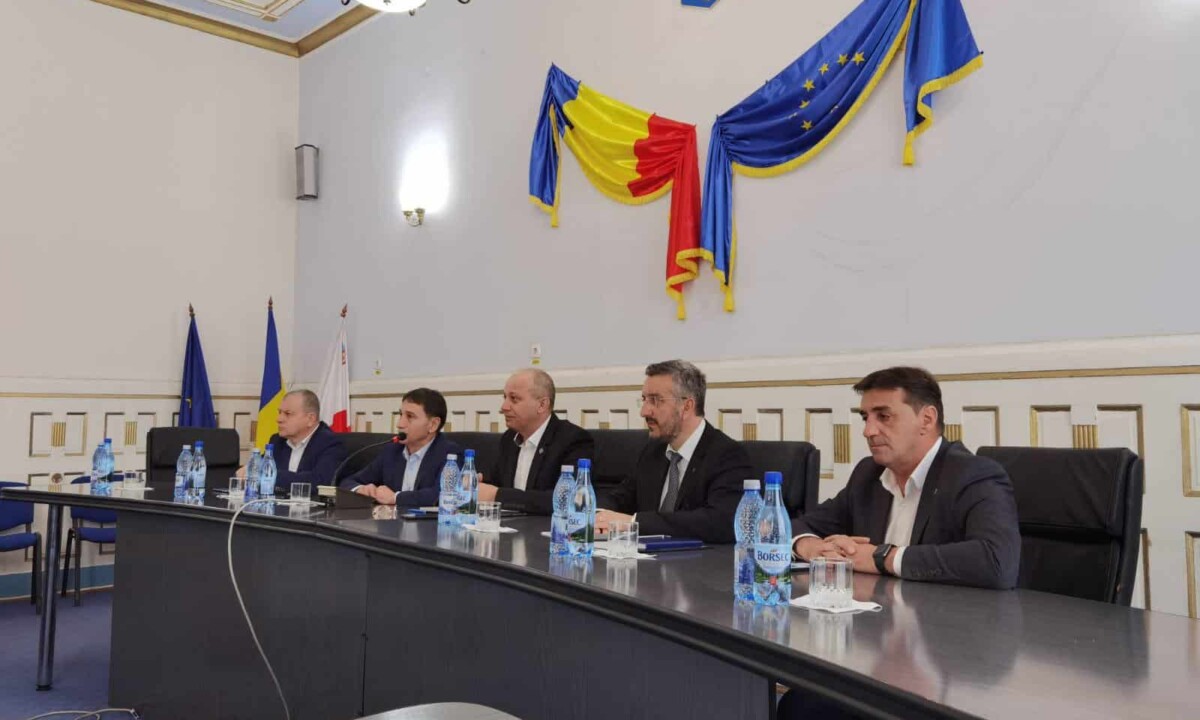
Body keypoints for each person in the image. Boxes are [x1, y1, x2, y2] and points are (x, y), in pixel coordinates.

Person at [790, 366, 1020, 589]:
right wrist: (811, 547)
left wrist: (882, 558)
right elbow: (795, 525)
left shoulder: (973, 474)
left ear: (927, 419)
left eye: (884, 416)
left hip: (948, 614)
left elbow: (997, 562)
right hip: (878, 609)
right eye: (866, 418)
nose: (868, 431)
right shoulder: (868, 473)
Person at [595, 360, 751, 544]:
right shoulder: (653, 451)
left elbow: (720, 522)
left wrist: (634, 522)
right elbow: (620, 498)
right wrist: (597, 515)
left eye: (655, 400)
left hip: (696, 561)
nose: (644, 411)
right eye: (644, 400)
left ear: (686, 406)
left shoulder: (727, 456)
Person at [476, 369, 593, 514]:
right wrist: (480, 484)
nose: (504, 407)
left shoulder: (573, 440)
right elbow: (497, 483)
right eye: (505, 397)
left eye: (514, 399)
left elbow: (569, 499)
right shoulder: (509, 439)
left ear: (542, 405)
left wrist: (496, 495)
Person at [339, 388, 461, 507]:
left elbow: (443, 495)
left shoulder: (450, 454)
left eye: (410, 416)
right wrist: (360, 489)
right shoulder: (392, 451)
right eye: (401, 414)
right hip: (392, 520)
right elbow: (347, 482)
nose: (399, 424)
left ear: (433, 424)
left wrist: (395, 498)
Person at [261, 389, 347, 493]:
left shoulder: (331, 443)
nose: (279, 419)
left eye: (288, 414)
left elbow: (319, 482)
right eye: (279, 412)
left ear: (310, 419)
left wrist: (270, 475)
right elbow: (259, 468)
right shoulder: (277, 441)